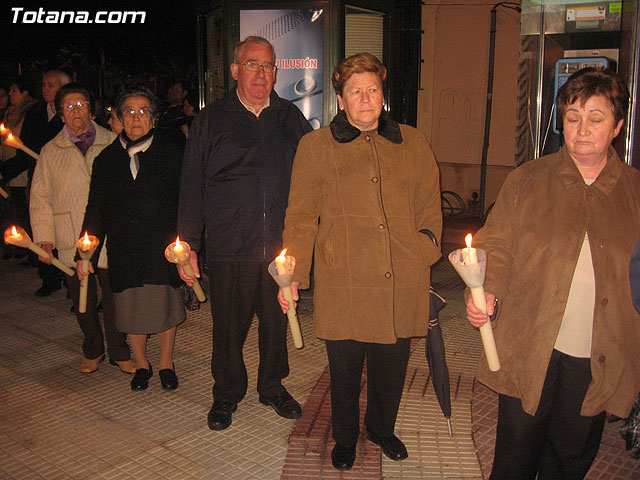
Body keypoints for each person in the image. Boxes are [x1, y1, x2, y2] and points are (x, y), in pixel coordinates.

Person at [465, 67, 640, 480]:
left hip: (598, 350)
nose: (582, 130)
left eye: (595, 119)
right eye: (572, 118)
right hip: (531, 341)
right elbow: (499, 244)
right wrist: (487, 291)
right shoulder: (528, 180)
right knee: (515, 453)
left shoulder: (634, 192)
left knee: (571, 455)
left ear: (616, 126)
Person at [277, 53, 442, 470]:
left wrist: (424, 249)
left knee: (392, 366)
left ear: (383, 95)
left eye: (373, 90)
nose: (365, 99)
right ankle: (346, 436)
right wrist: (292, 273)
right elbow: (300, 215)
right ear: (340, 98)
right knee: (345, 370)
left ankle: (382, 429)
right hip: (344, 277)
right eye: (355, 91)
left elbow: (430, 208)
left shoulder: (412, 141)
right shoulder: (315, 146)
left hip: (398, 275)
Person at [178, 36, 312, 431]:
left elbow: (312, 181)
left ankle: (272, 386)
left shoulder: (290, 119)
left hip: (279, 249)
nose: (261, 73)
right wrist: (189, 246)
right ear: (235, 70)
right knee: (229, 326)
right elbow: (191, 186)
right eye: (252, 65)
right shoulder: (210, 120)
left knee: (276, 322)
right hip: (229, 244)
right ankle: (226, 392)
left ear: (276, 72)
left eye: (268, 66)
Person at [79, 86, 185, 391]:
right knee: (131, 309)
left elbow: (185, 201)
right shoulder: (106, 160)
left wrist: (185, 243)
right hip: (125, 248)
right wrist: (85, 249)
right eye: (129, 112)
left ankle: (166, 362)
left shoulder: (171, 153)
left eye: (143, 112)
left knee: (164, 305)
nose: (136, 118)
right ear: (118, 118)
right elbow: (95, 208)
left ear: (152, 118)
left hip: (163, 246)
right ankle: (142, 364)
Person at [29, 83, 135, 375]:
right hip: (70, 234)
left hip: (110, 235)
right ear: (60, 114)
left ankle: (119, 349)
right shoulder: (51, 151)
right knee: (82, 299)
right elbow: (39, 198)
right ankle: (92, 348)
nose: (77, 111)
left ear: (92, 108)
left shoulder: (112, 141)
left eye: (82, 104)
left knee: (115, 297)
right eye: (69, 106)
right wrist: (44, 240)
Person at [0, 69, 70, 293]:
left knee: (66, 230)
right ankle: (49, 278)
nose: (45, 89)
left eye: (51, 85)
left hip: (65, 183)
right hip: (39, 181)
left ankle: (72, 281)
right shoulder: (36, 113)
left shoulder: (71, 113)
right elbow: (25, 152)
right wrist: (4, 172)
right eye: (44, 85)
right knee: (42, 229)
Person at [1, 76, 37, 260]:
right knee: (14, 210)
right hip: (10, 169)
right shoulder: (9, 113)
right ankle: (19, 246)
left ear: (25, 93)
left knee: (25, 211)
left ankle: (32, 250)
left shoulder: (29, 113)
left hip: (21, 169)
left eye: (14, 90)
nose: (10, 94)